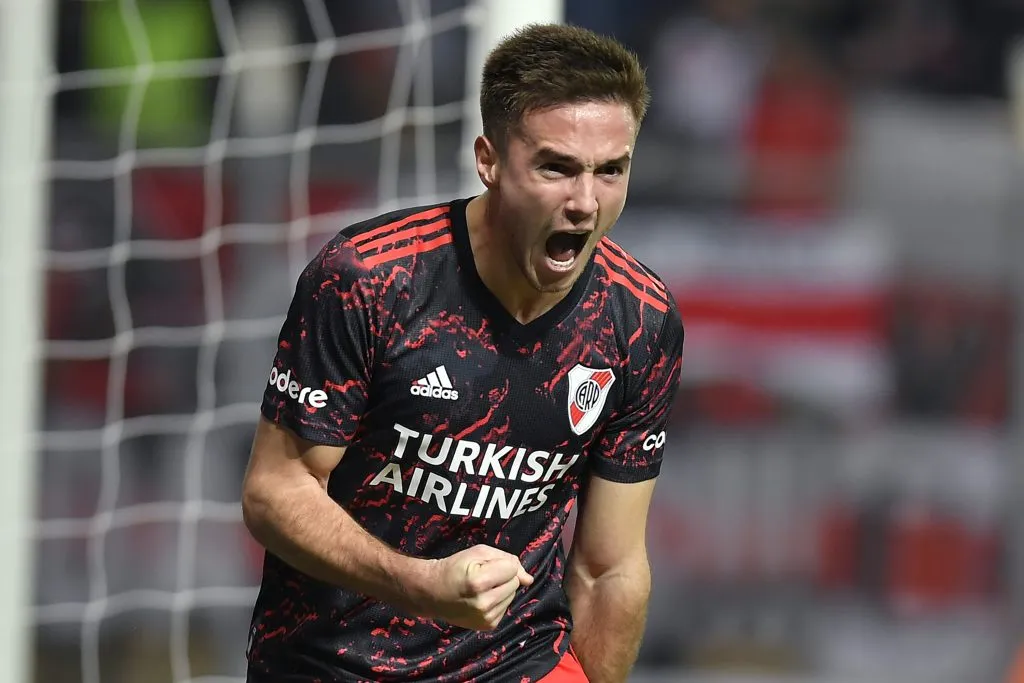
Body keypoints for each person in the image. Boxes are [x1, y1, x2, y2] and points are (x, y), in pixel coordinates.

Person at [241, 23, 684, 683]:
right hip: (335, 661)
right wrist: (421, 584)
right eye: (556, 167)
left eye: (610, 170)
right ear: (489, 160)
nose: (585, 202)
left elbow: (608, 566)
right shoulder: (370, 278)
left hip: (514, 659)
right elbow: (275, 492)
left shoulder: (639, 318)